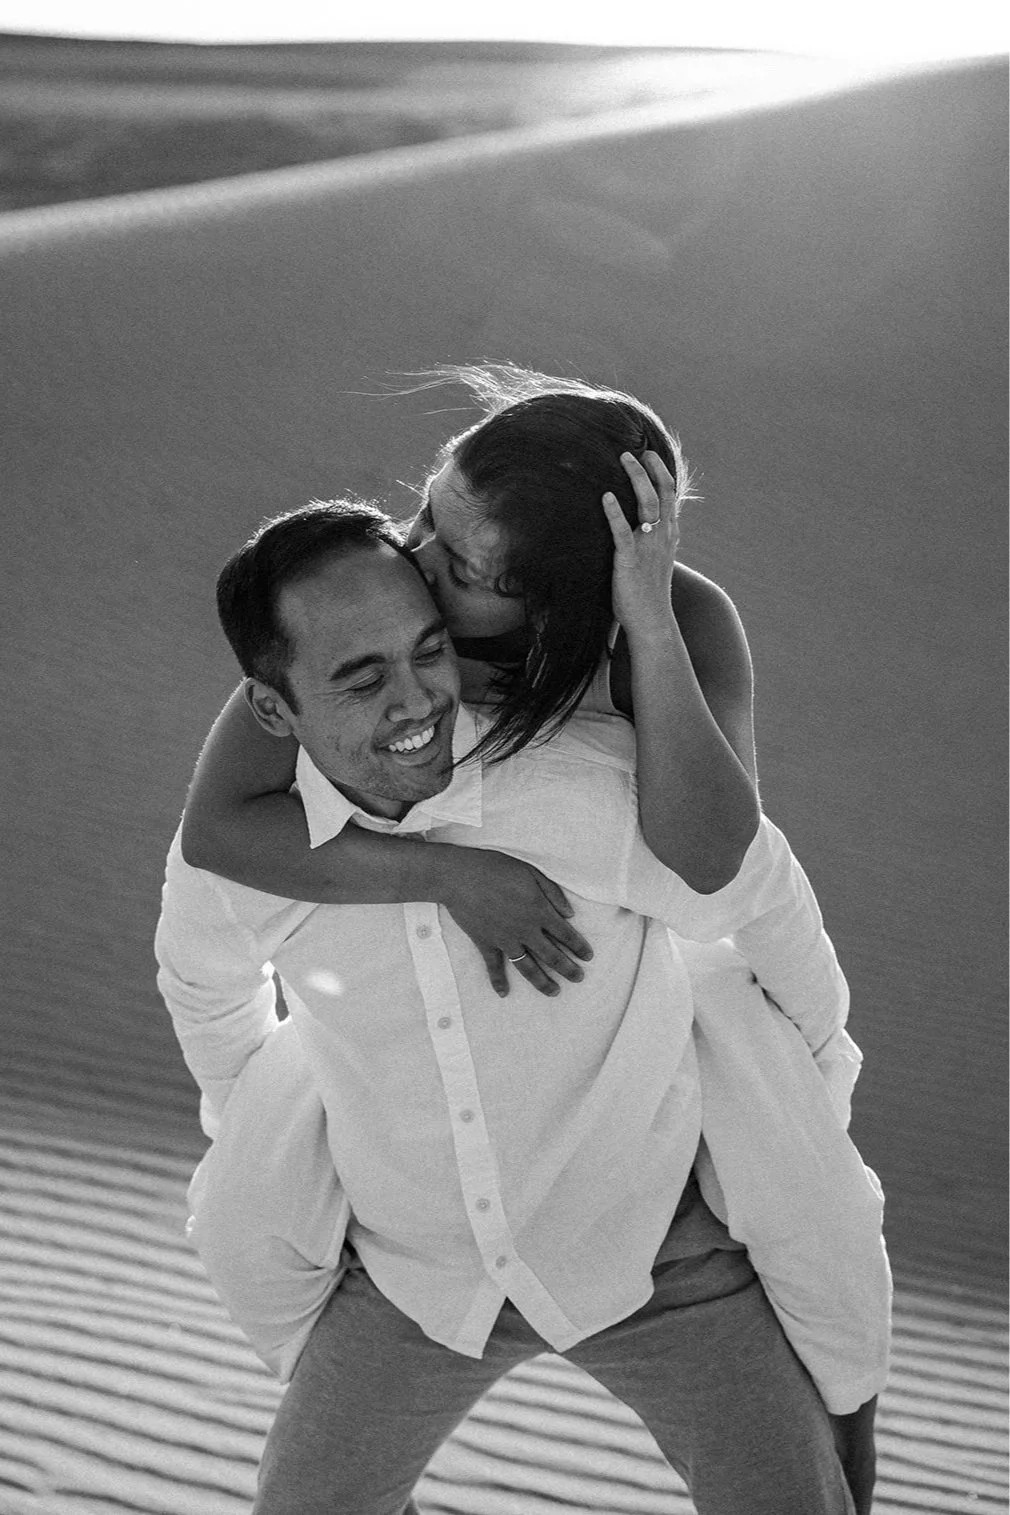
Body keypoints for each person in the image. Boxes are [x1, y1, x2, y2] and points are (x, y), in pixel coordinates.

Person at [156, 499, 888, 1515]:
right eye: (360, 679)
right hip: (412, 1276)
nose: (414, 700)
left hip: (651, 1253)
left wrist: (817, 1081)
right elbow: (203, 987)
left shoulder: (579, 790)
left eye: (427, 651)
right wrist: (254, 1135)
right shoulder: (245, 860)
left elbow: (757, 893)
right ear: (272, 709)